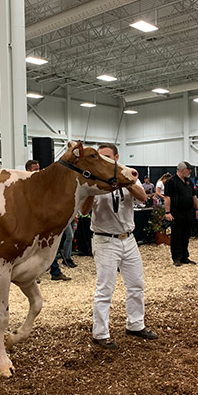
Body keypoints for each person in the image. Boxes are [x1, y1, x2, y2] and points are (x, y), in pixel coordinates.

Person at [81, 143, 158, 349]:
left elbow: (143, 197)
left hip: (128, 238)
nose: (104, 160)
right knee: (105, 288)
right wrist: (92, 189)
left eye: (108, 157)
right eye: (100, 157)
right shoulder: (95, 180)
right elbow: (84, 211)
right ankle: (100, 333)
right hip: (105, 239)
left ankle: (135, 324)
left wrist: (125, 181)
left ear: (116, 157)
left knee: (136, 284)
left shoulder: (129, 175)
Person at [25, 159, 70, 281]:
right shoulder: (26, 184)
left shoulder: (41, 183)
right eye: (35, 169)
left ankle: (55, 272)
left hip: (43, 218)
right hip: (32, 219)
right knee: (32, 248)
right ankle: (34, 275)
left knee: (49, 244)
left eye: (39, 168)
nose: (38, 171)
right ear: (28, 170)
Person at [164, 161, 198, 267]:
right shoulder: (171, 181)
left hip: (188, 212)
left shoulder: (189, 181)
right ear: (182, 169)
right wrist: (168, 212)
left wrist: (197, 209)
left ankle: (185, 256)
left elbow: (193, 196)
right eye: (188, 169)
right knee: (177, 235)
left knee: (186, 234)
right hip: (177, 212)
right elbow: (167, 197)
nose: (190, 171)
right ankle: (176, 258)